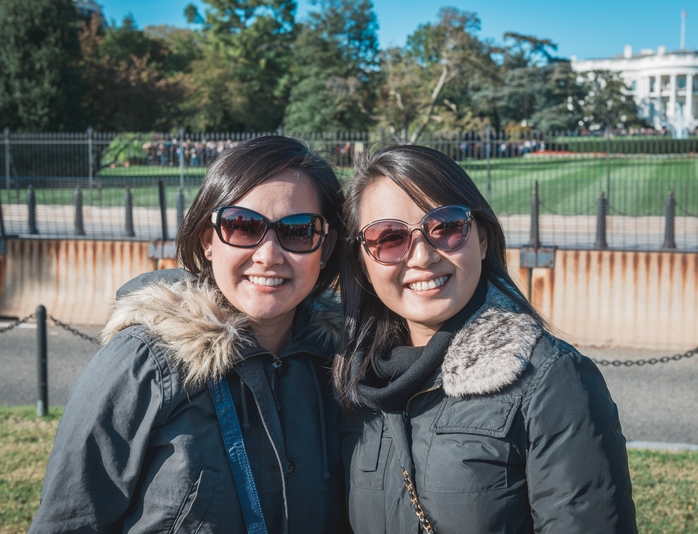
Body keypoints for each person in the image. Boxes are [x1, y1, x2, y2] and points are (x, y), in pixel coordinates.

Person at [31, 136, 345, 533]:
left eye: (298, 230)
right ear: (207, 240)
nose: (269, 255)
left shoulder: (343, 366)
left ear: (326, 245)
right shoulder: (141, 363)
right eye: (243, 226)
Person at [334, 145, 637, 533]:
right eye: (389, 237)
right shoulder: (353, 383)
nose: (423, 256)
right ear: (363, 260)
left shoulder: (551, 379)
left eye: (446, 227)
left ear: (481, 238)